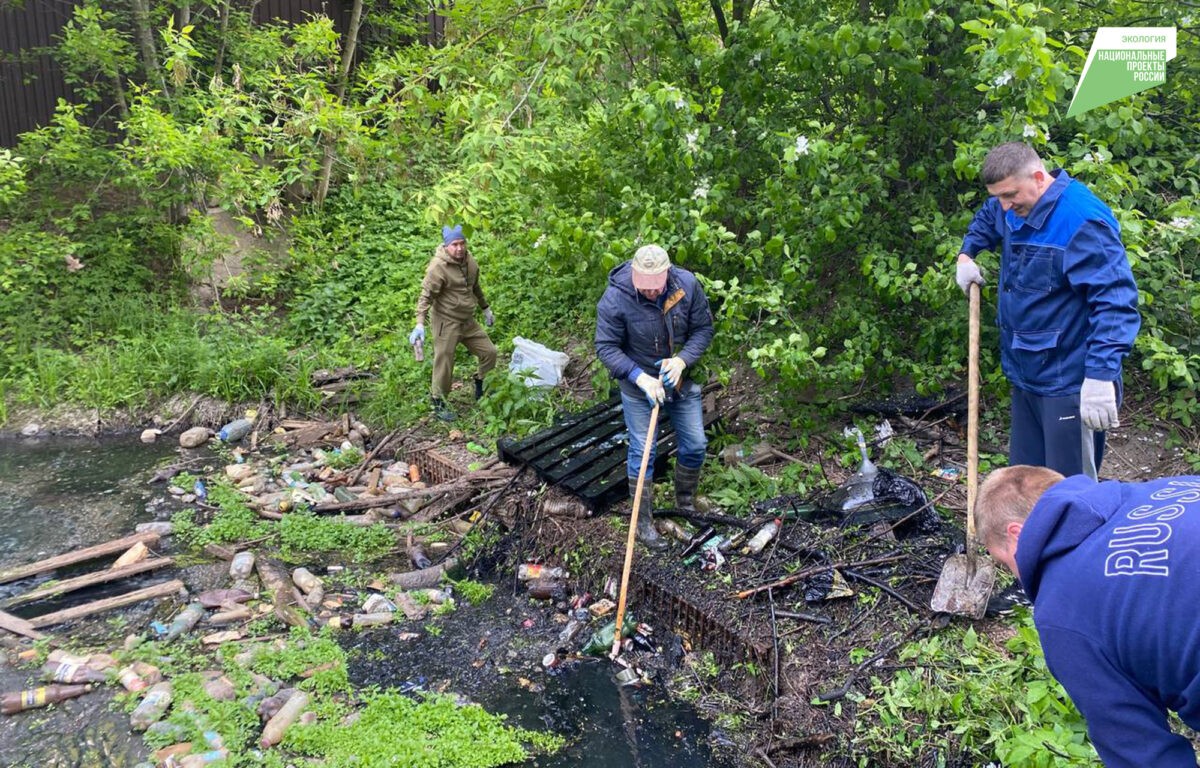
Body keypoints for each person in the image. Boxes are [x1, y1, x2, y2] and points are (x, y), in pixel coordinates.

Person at [975, 465, 1200, 767]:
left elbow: (1144, 754)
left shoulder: (1063, 611)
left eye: (1003, 562)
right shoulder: (1168, 488)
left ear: (1016, 536)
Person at [954, 142, 1140, 479]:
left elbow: (1116, 302)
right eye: (999, 197)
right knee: (1025, 484)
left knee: (1069, 491)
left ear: (1039, 178)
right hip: (1026, 375)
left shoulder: (1082, 221)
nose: (1005, 206)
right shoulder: (1012, 204)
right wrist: (967, 254)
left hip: (1069, 381)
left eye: (1009, 195)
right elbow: (988, 216)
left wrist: (1100, 376)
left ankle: (1075, 535)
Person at [595, 244, 714, 549]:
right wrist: (640, 377)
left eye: (655, 287)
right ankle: (643, 523)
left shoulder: (686, 285)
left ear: (667, 275)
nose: (649, 292)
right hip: (639, 385)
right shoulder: (615, 298)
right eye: (643, 287)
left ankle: (685, 502)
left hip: (679, 380)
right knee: (642, 451)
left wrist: (682, 360)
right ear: (633, 276)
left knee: (696, 444)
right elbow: (606, 347)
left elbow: (703, 329)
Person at [409, 225, 497, 422]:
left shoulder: (470, 261)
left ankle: (482, 388)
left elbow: (475, 287)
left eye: (462, 243)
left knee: (489, 352)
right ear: (446, 245)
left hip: (467, 320)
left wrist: (485, 308)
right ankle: (438, 402)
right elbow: (426, 297)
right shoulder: (437, 267)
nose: (459, 248)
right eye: (454, 244)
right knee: (445, 360)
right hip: (446, 321)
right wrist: (419, 324)